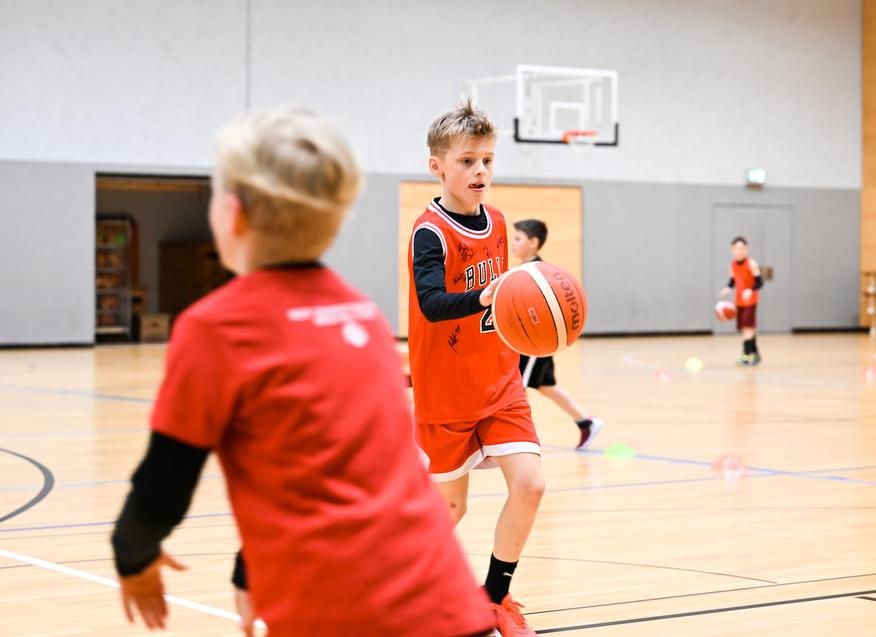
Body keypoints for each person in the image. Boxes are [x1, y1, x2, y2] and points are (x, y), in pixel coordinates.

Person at [110, 106, 495, 637]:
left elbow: (165, 482)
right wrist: (248, 569)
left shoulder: (216, 327)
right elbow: (340, 468)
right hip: (447, 598)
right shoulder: (359, 315)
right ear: (334, 221)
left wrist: (132, 555)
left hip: (339, 609)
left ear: (233, 215)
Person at [408, 101, 544, 637]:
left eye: (487, 160)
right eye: (467, 161)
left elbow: (503, 303)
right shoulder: (430, 232)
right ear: (437, 166)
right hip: (446, 391)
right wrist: (483, 296)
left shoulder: (500, 221)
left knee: (530, 485)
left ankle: (495, 598)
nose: (480, 171)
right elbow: (430, 304)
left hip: (500, 382)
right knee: (450, 509)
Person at [511, 219, 603, 449]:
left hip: (534, 341)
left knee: (517, 386)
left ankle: (520, 439)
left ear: (534, 242)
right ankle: (586, 423)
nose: (513, 243)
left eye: (518, 238)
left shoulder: (538, 273)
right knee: (545, 386)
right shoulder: (523, 270)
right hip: (533, 339)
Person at [720, 236, 764, 365]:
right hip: (739, 302)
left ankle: (746, 356)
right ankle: (756, 355)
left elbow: (760, 281)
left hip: (750, 301)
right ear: (732, 250)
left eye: (742, 248)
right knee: (747, 330)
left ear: (746, 249)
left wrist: (750, 290)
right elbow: (733, 280)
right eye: (737, 248)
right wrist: (728, 287)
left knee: (747, 329)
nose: (739, 251)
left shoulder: (751, 263)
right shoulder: (733, 265)